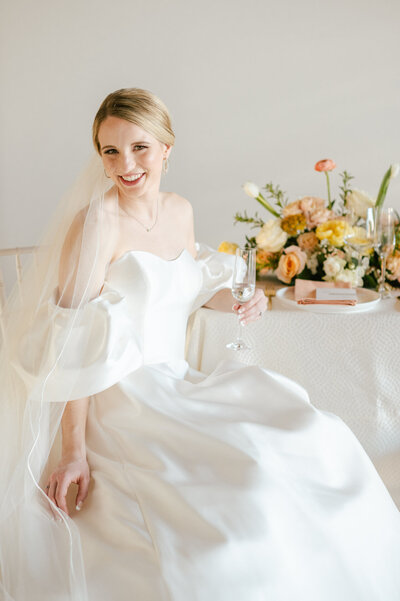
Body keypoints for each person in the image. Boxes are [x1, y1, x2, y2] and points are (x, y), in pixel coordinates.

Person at [1, 88, 400, 601]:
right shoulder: (96, 224)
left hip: (177, 381)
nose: (126, 164)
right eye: (111, 151)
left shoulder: (178, 211)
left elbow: (187, 287)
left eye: (139, 147)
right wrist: (74, 450)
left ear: (168, 149)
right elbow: (71, 347)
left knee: (308, 435)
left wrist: (237, 301)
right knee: (243, 487)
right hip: (121, 397)